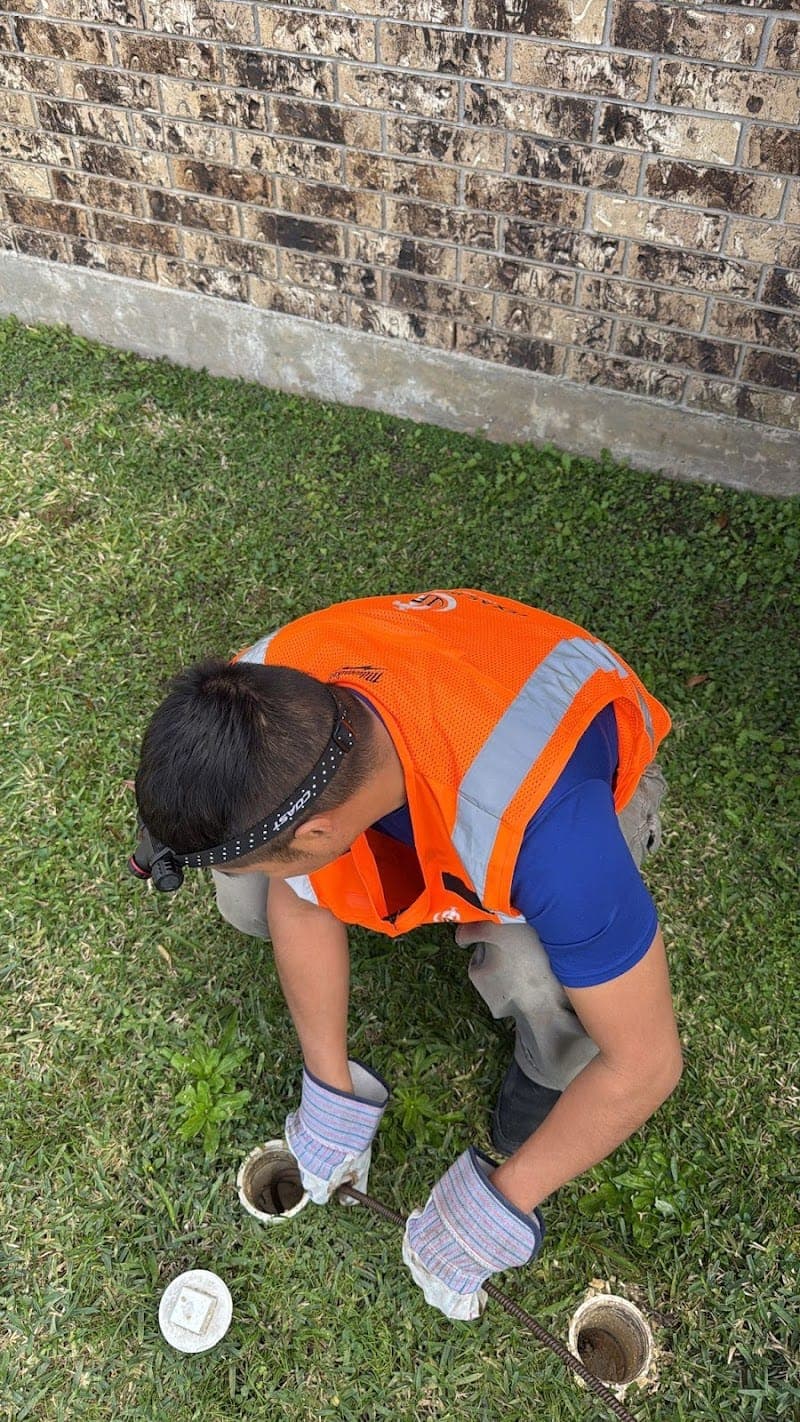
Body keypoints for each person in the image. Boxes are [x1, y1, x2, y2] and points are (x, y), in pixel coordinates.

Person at [133, 588, 682, 1320]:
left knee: (533, 973)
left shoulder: (555, 841)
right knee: (248, 895)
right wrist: (329, 1085)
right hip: (436, 725)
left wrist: (500, 1205)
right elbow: (298, 887)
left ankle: (549, 1065)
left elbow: (646, 1063)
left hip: (566, 770)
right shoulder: (258, 698)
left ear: (321, 833)